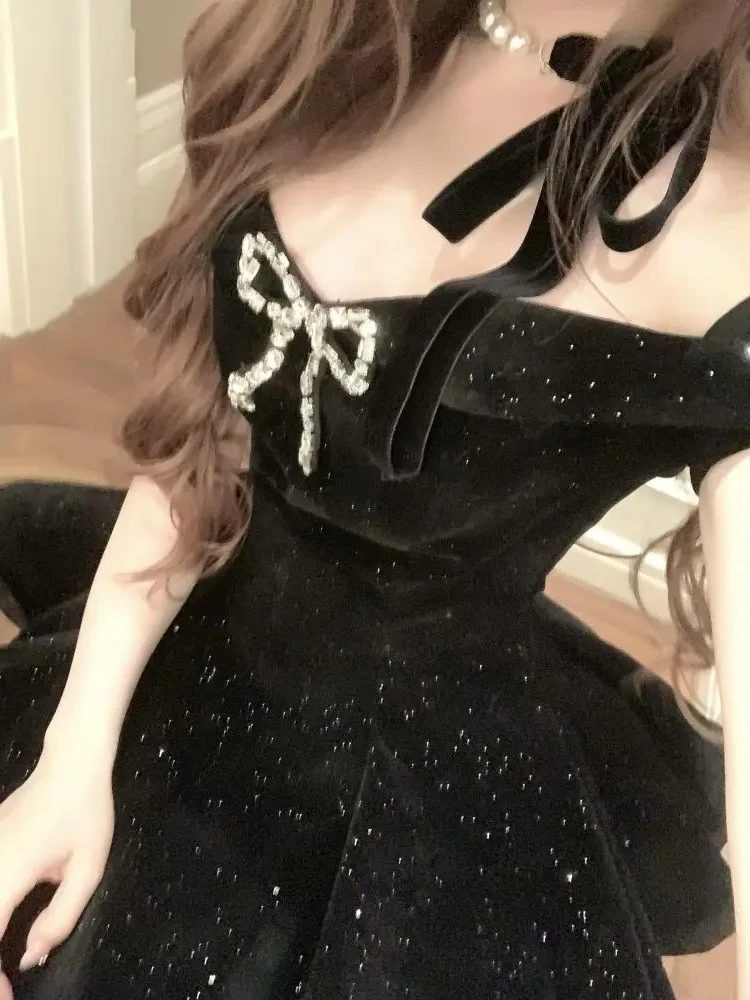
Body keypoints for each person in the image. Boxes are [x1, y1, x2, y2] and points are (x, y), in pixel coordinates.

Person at [0, 0, 748, 996]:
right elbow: (207, 442)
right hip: (194, 634)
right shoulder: (331, 40)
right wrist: (72, 753)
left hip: (437, 795)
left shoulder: (730, 238)